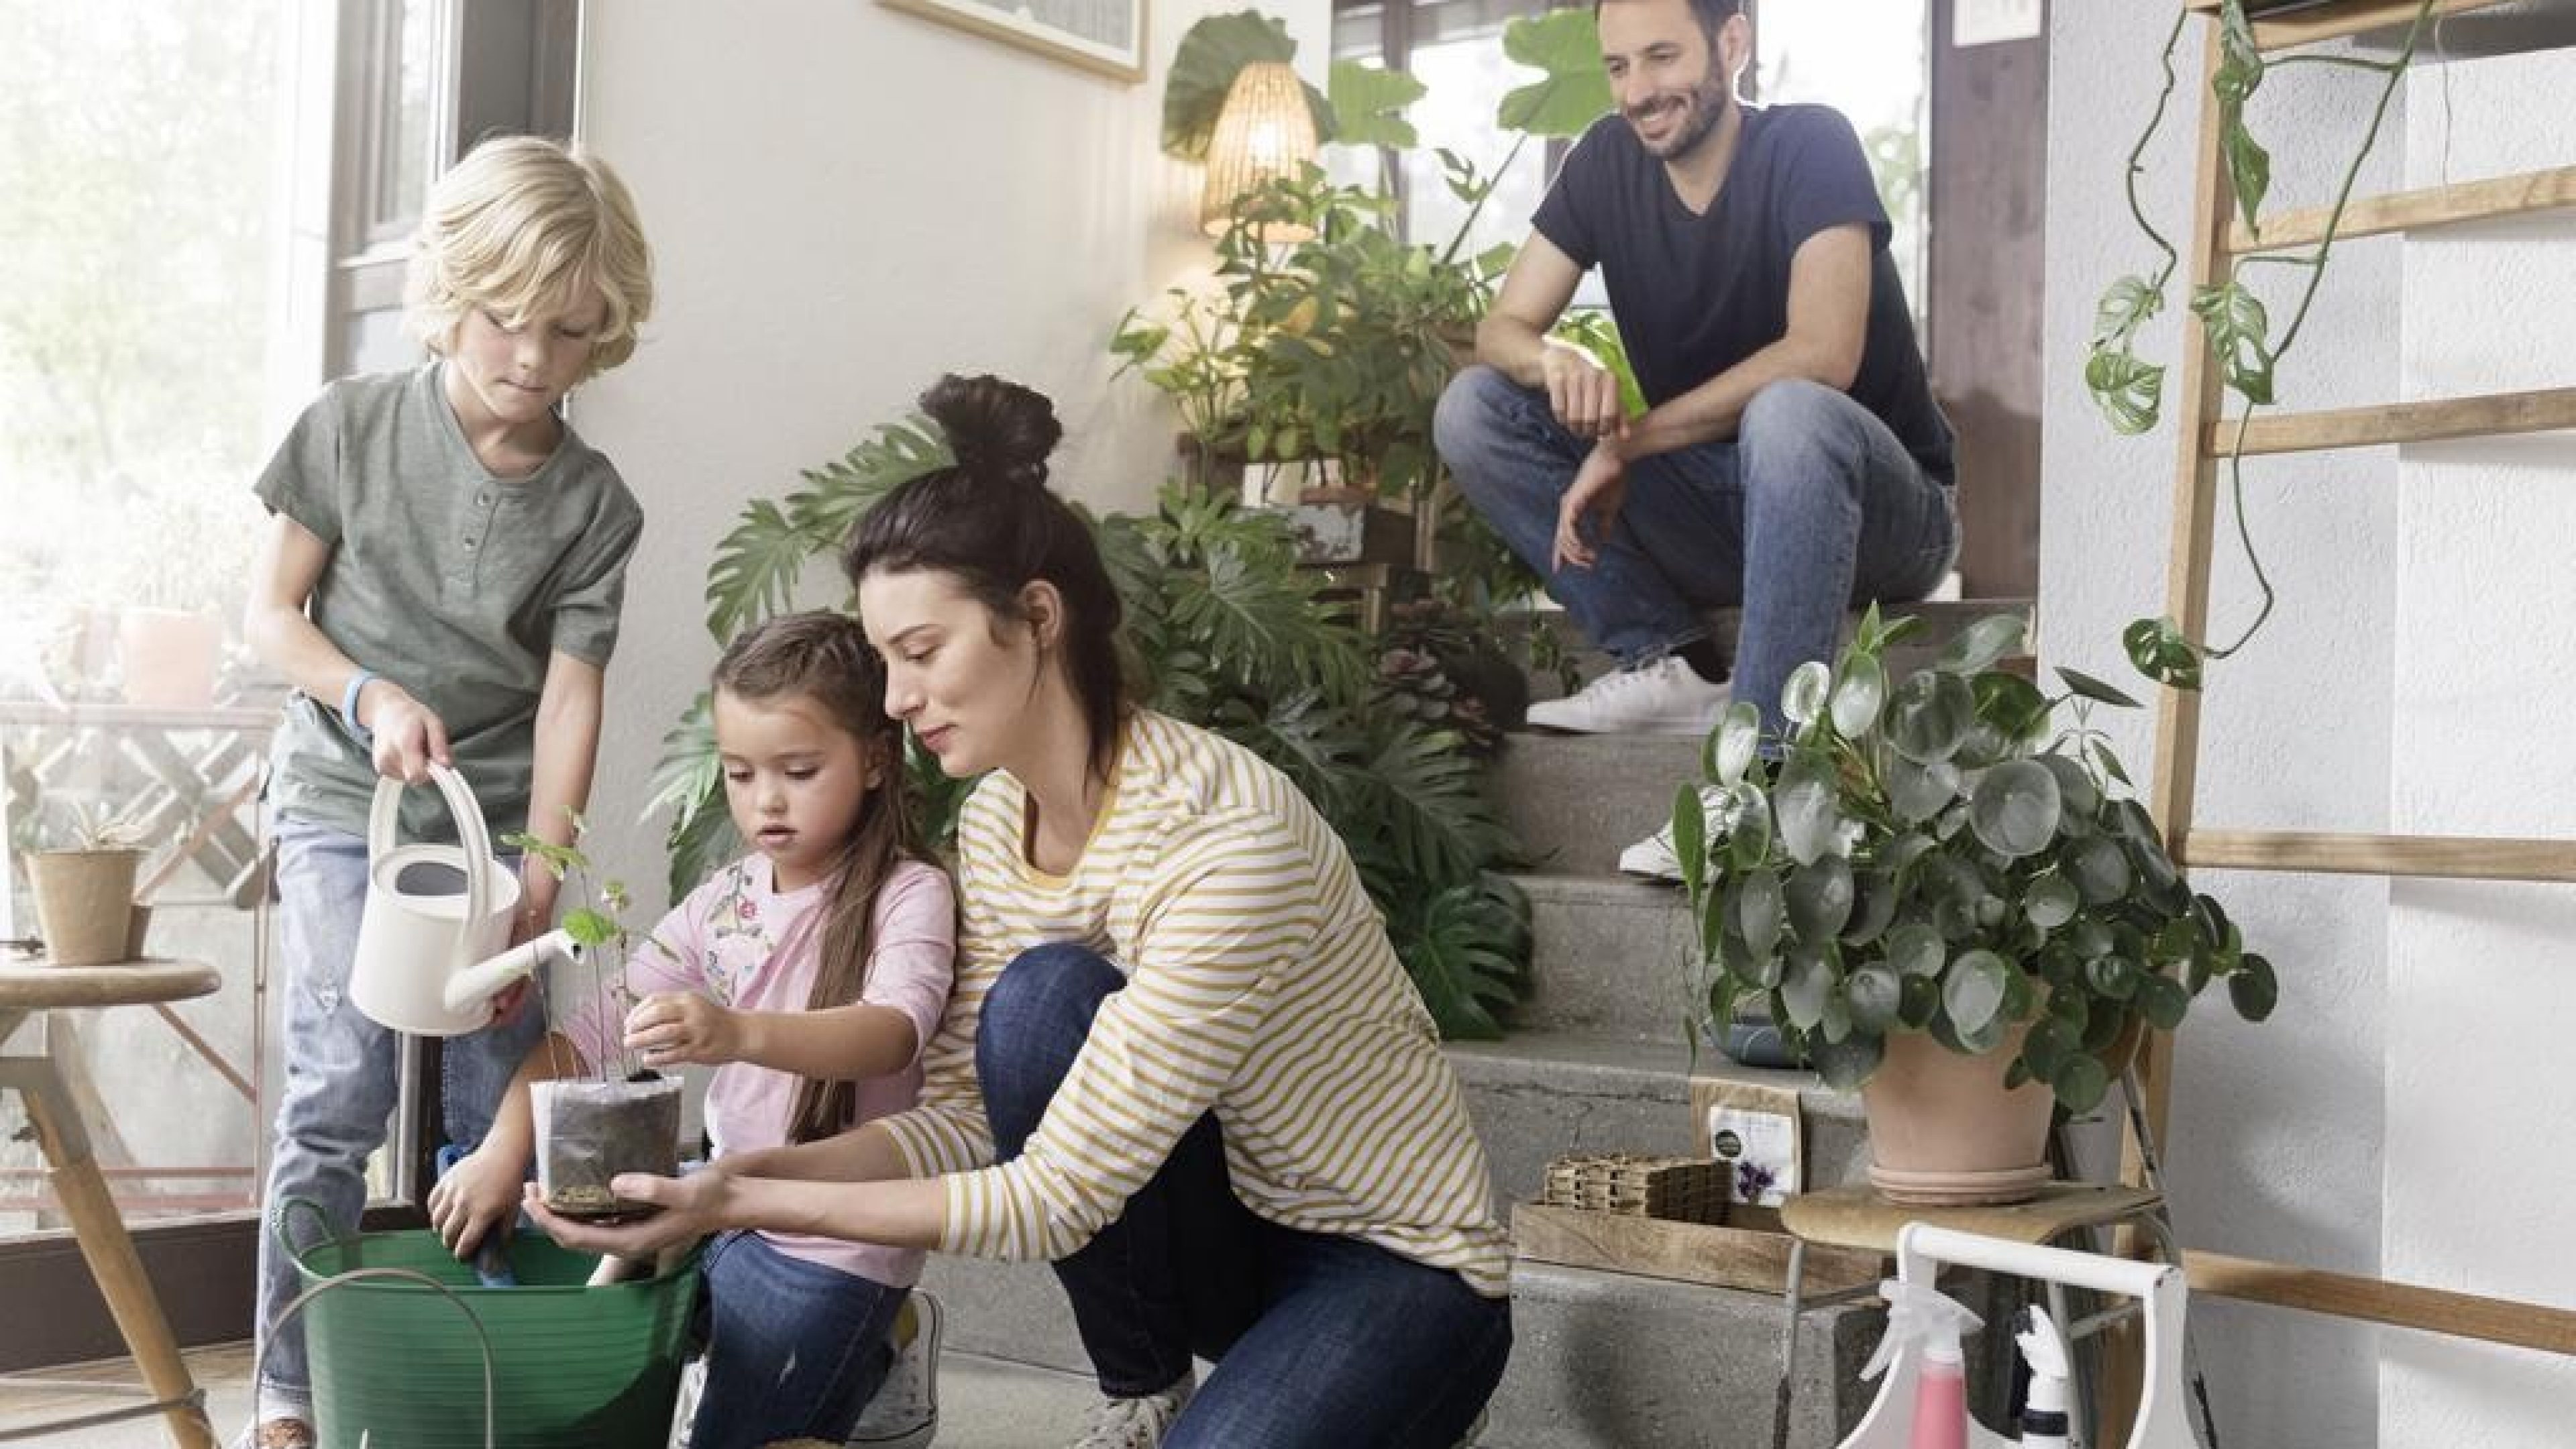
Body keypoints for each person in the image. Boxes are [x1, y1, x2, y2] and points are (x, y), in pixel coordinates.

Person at [527, 374, 1513, 1449]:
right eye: (886, 660)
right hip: (1226, 1236)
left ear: (1036, 618)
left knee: (1046, 998)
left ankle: (1376, 1400)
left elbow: (1053, 1198)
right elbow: (965, 1122)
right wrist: (728, 1175)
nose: (895, 700)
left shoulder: (1223, 840)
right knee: (1042, 1003)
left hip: (1394, 1264)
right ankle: (1147, 1388)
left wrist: (736, 1206)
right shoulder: (998, 822)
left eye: (920, 653)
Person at [238, 133, 652, 1449]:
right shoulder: (349, 427)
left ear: (608, 332)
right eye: (505, 320)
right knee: (339, 1086)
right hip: (339, 799)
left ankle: (478, 1389)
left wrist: (543, 882)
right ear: (450, 290)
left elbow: (570, 697)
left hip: (496, 839)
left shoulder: (596, 505)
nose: (532, 359)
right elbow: (271, 617)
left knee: (497, 1116)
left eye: (571, 333)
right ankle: (293, 1389)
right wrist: (369, 697)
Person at [1432, 0, 1959, 877]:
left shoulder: (1811, 144)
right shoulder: (1604, 161)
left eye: (1662, 58)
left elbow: (1821, 356)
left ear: (1733, 45)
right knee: (1474, 407)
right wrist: (1552, 354)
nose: (1639, 91)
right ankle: (1670, 659)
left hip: (1885, 519)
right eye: (1619, 66)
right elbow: (1503, 329)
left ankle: (1757, 787)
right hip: (1729, 510)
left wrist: (1629, 442)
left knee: (1787, 411)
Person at [428, 611, 956, 1449]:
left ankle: (875, 1350)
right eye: (742, 774)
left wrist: (739, 1034)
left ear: (876, 762)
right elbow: (589, 1037)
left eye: (799, 770)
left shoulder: (909, 892)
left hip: (838, 1242)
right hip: (722, 1204)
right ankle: (845, 1354)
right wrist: (502, 1147)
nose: (766, 800)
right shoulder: (728, 900)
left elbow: (892, 1034)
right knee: (596, 1366)